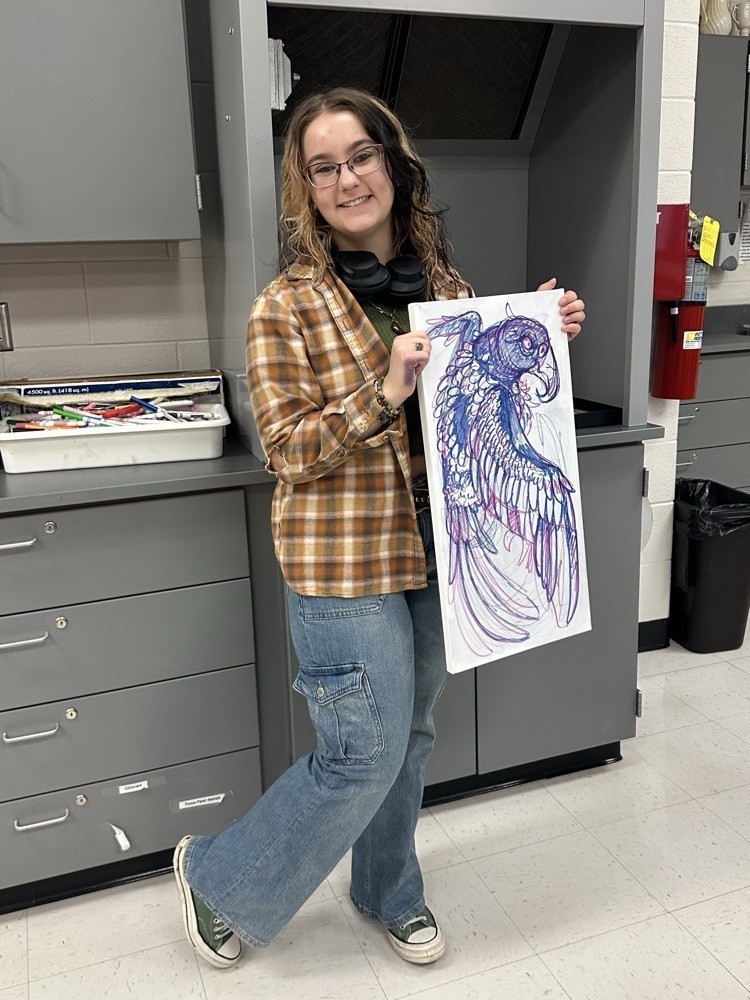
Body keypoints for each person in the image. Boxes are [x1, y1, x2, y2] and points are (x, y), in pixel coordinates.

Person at [173, 87, 585, 969]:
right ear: (307, 190)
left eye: (360, 156)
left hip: (444, 549)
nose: (347, 179)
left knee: (413, 734)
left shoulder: (446, 290)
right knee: (361, 750)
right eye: (324, 168)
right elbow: (285, 450)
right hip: (343, 561)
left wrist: (538, 336)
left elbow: (471, 420)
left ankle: (386, 887)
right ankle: (217, 875)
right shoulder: (282, 307)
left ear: (392, 162)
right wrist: (383, 390)